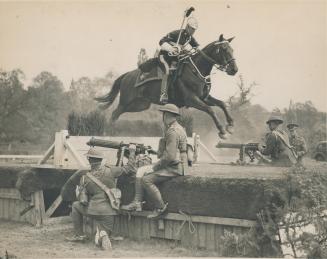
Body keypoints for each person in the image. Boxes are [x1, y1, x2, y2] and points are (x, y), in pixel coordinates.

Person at [65, 145, 139, 250]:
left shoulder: (85, 178)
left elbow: (83, 201)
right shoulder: (112, 171)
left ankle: (80, 235)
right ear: (101, 160)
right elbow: (130, 168)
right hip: (110, 211)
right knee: (105, 228)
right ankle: (104, 234)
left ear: (89, 160)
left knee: (75, 205)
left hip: (92, 211)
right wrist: (132, 152)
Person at [121, 104, 188, 219]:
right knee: (141, 171)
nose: (162, 118)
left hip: (174, 167)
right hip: (177, 165)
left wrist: (155, 167)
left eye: (163, 115)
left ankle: (160, 207)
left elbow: (170, 157)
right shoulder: (180, 128)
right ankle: (137, 202)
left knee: (146, 179)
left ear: (166, 115)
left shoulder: (172, 132)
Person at [158, 17, 199, 104]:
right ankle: (163, 94)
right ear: (187, 27)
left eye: (194, 30)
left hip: (175, 60)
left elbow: (196, 47)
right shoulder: (177, 33)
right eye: (192, 29)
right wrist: (171, 48)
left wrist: (191, 51)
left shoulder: (190, 38)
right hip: (165, 57)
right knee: (167, 72)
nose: (193, 32)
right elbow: (161, 41)